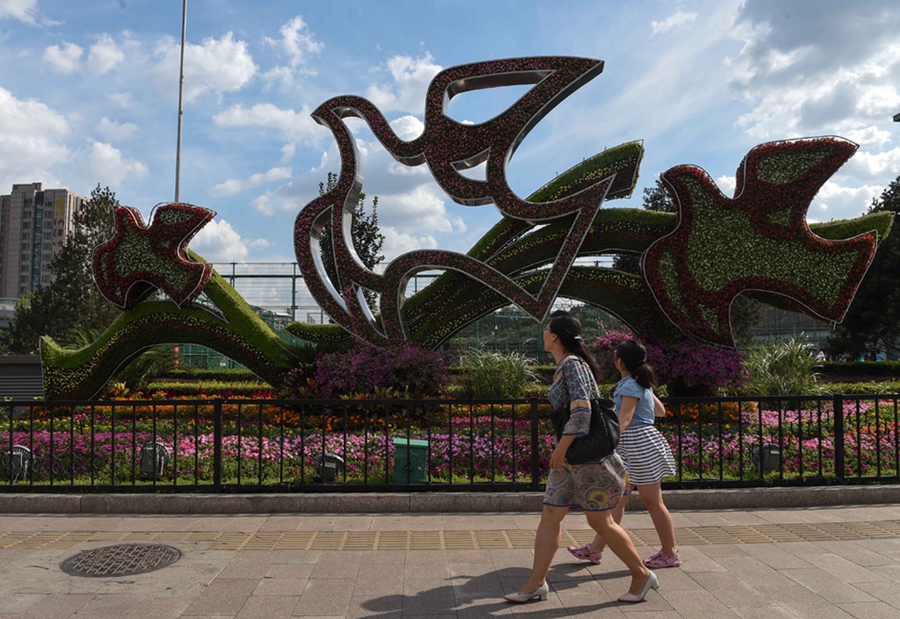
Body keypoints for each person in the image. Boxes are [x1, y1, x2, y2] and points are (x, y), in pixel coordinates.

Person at [504, 312, 658, 605]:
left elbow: (582, 411)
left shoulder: (572, 365)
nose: (543, 333)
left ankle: (641, 574)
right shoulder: (566, 364)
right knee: (550, 515)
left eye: (546, 329)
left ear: (554, 336)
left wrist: (560, 448)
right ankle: (536, 583)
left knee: (600, 522)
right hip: (571, 460)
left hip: (584, 458)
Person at [566, 339, 680, 569]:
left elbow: (625, 418)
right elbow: (660, 411)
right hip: (639, 444)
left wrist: (608, 442)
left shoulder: (629, 385)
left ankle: (670, 553)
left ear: (620, 362)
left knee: (652, 501)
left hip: (635, 444)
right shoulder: (638, 384)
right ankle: (595, 549)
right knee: (618, 500)